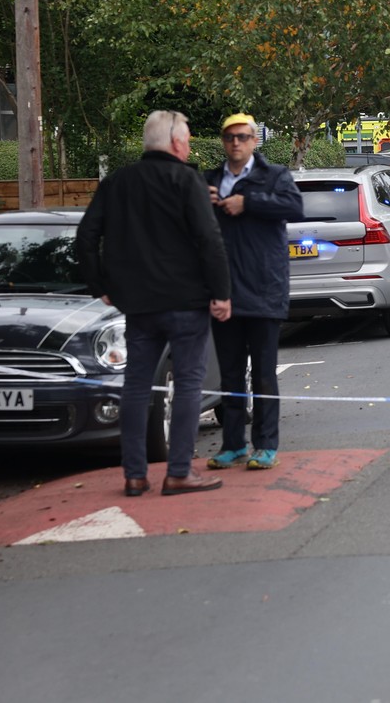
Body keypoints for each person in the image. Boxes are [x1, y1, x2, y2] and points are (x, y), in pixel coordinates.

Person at [76, 109, 232, 497]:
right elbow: (209, 240)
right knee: (189, 383)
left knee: (136, 386)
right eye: (189, 138)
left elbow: (85, 236)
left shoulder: (117, 182)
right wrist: (222, 293)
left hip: (138, 305)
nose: (191, 143)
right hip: (187, 302)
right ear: (177, 142)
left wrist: (100, 285)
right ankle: (179, 471)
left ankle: (134, 474)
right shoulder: (187, 181)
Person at [203, 114, 303, 471]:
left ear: (254, 141)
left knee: (263, 373)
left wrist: (248, 203)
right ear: (223, 141)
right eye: (230, 137)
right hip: (225, 290)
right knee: (230, 373)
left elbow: (294, 208)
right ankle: (233, 444)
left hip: (264, 288)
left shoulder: (274, 176)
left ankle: (265, 444)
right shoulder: (210, 180)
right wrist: (204, 202)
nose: (236, 144)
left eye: (243, 137)